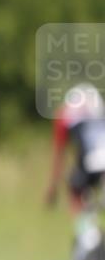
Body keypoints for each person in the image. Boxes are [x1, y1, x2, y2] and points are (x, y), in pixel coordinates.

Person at [45, 82, 105, 215]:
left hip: (90, 162)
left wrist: (52, 188)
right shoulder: (99, 113)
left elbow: (59, 155)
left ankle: (85, 230)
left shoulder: (64, 116)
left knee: (75, 189)